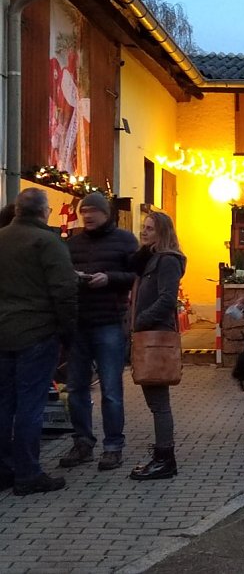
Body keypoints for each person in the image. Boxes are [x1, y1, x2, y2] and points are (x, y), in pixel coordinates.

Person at [0, 188, 77, 495]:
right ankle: (28, 474)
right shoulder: (47, 242)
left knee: (4, 405)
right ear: (44, 212)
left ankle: (4, 470)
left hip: (3, 334)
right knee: (30, 406)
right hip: (37, 334)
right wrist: (68, 332)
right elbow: (64, 290)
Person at [59, 192, 138, 472]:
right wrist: (74, 279)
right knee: (76, 388)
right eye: (84, 211)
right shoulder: (73, 243)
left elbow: (135, 275)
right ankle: (82, 442)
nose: (88, 216)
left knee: (111, 389)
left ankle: (113, 447)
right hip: (79, 323)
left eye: (93, 211)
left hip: (109, 322)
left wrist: (109, 278)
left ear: (106, 213)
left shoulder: (125, 241)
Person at [127, 212, 186, 480]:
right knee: (156, 402)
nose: (144, 231)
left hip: (156, 337)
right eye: (144, 227)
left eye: (150, 228)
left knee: (159, 403)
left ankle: (165, 458)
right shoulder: (148, 259)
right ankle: (162, 456)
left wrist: (141, 320)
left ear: (163, 232)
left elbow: (167, 299)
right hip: (147, 334)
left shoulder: (167, 260)